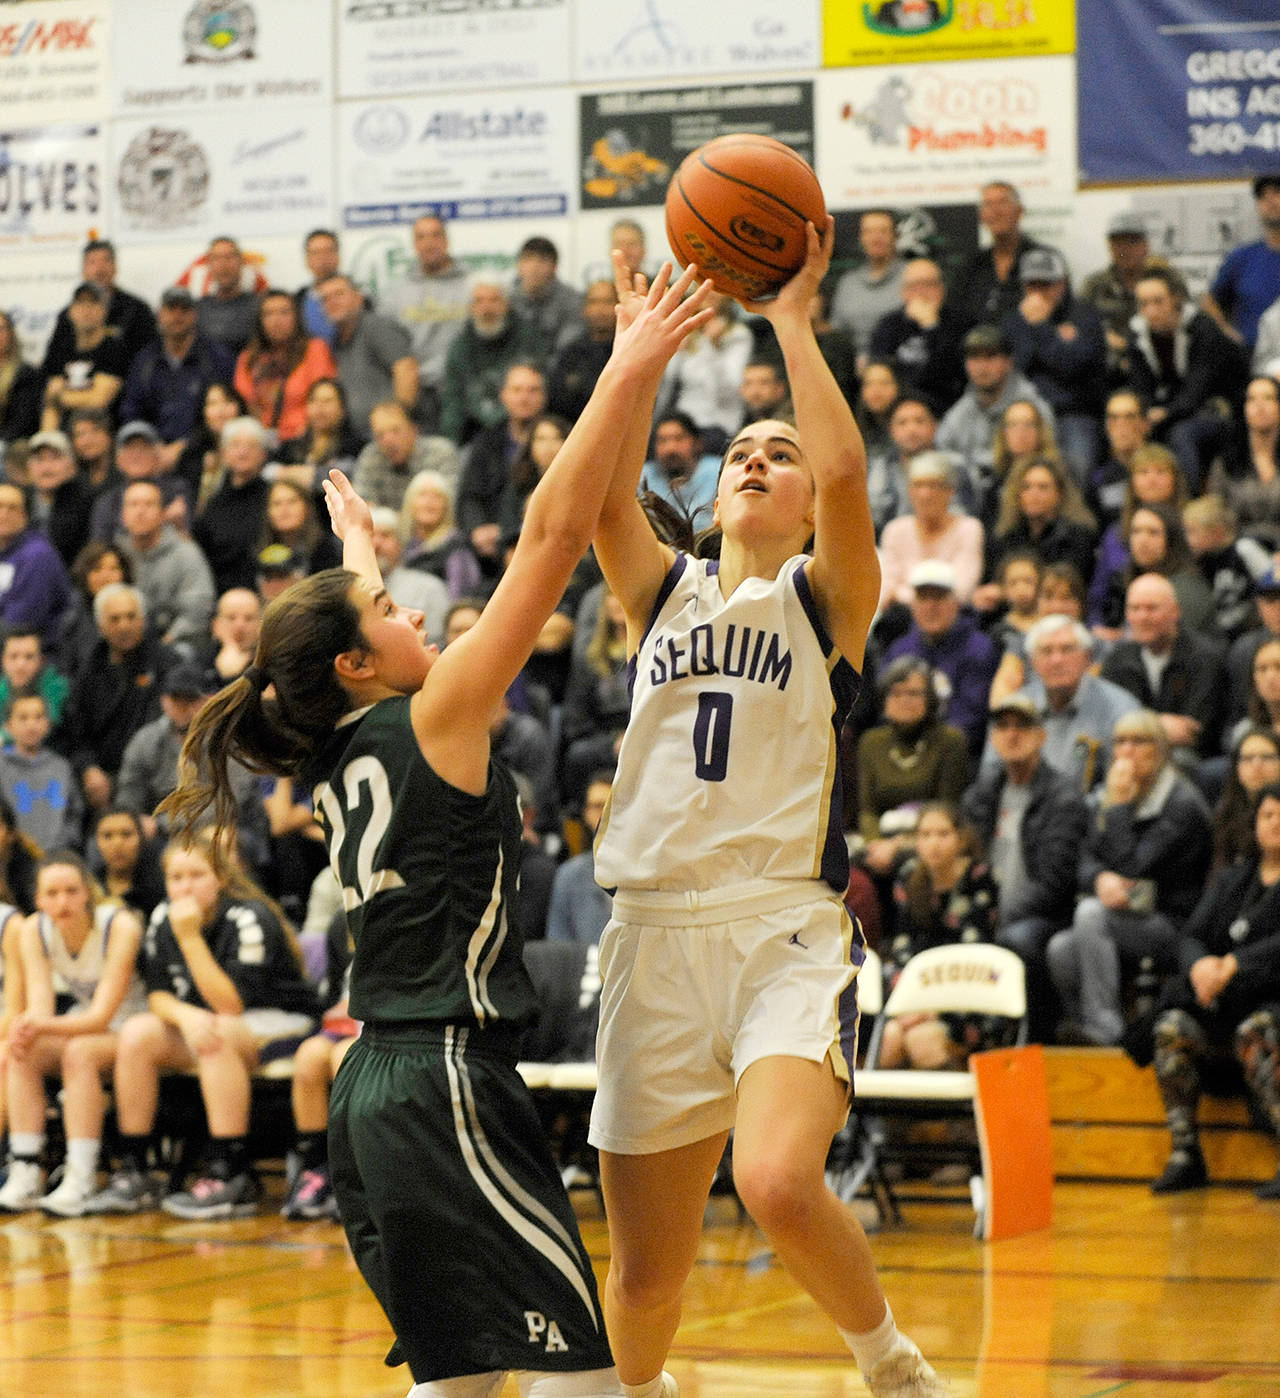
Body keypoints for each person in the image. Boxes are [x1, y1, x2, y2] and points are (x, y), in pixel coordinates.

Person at [155, 259, 718, 1393]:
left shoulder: (331, 739)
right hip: (446, 1076)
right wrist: (627, 364)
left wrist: (357, 547)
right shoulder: (444, 710)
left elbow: (352, 648)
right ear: (360, 662)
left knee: (456, 1382)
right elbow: (553, 539)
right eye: (385, 603)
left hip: (371, 1090)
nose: (409, 601)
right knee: (583, 1377)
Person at [587, 222, 947, 1398]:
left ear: (799, 503)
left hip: (780, 927)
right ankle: (632, 1394)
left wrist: (789, 320)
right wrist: (633, 355)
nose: (752, 459)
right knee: (644, 1281)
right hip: (648, 936)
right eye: (737, 447)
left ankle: (887, 1363)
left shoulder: (824, 597)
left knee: (780, 1181)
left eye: (774, 452)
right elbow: (594, 498)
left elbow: (849, 476)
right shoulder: (661, 591)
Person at [81, 832, 319, 1218]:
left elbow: (230, 1003)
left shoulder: (249, 917)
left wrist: (190, 938)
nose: (185, 886)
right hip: (209, 1019)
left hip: (281, 1022)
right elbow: (158, 995)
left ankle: (230, 1173)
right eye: (176, 878)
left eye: (196, 875)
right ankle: (136, 1169)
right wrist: (186, 1016)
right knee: (138, 1033)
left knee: (216, 1033)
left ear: (220, 879)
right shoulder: (162, 915)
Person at [1134, 782, 1280, 1198]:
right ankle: (1185, 1154)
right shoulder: (1234, 878)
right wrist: (1200, 965)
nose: (1275, 823)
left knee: (1259, 1028)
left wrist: (1237, 963)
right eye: (1267, 815)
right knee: (1171, 1027)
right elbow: (1191, 934)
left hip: (1271, 999)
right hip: (1222, 1002)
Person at [1047, 709, 1212, 1046]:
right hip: (1124, 912)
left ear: (1161, 749)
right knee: (1060, 948)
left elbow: (1136, 868)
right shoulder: (1112, 794)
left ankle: (1105, 1033)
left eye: (1140, 741)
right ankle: (1085, 1035)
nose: (1127, 751)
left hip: (1171, 920)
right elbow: (1085, 858)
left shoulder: (1181, 803)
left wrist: (1119, 808)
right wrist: (1100, 880)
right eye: (1121, 741)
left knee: (1090, 915)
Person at [0, 852, 146, 1216]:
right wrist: (23, 1031)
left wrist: (32, 1025)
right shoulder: (34, 929)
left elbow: (101, 1016)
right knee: (23, 1050)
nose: (62, 902)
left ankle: (80, 1177)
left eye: (71, 891)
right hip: (87, 1026)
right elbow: (40, 1007)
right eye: (51, 893)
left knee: (78, 1052)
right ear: (38, 900)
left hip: (137, 1027)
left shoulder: (120, 925)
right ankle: (26, 1171)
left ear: (87, 893)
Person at [962, 691, 1089, 1043]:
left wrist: (998, 914)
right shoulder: (983, 792)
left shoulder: (1063, 797)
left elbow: (1054, 884)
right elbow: (967, 862)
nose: (1012, 734)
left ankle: (1035, 1039)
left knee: (1015, 939)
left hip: (1044, 917)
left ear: (1041, 736)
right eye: (1002, 726)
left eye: (1022, 725)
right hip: (988, 908)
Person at [881, 803, 999, 1070]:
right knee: (890, 1037)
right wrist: (911, 1006)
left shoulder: (980, 877)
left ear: (961, 839)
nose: (933, 843)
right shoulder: (909, 876)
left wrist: (932, 1010)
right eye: (925, 835)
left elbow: (975, 957)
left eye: (943, 834)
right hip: (919, 995)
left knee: (921, 1041)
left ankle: (952, 1111)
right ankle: (880, 1112)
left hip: (968, 999)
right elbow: (903, 950)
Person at [1001, 248, 1108, 485]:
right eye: (1032, 285)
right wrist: (1054, 341)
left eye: (1046, 285)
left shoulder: (1085, 317)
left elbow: (1071, 366)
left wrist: (1040, 327)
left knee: (1076, 468)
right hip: (1027, 411)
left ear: (1062, 283)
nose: (1038, 293)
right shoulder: (1013, 320)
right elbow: (1022, 363)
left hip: (1074, 412)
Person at [855, 656, 969, 879]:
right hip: (878, 841)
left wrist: (897, 846)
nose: (904, 700)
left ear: (931, 699)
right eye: (896, 693)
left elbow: (947, 807)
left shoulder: (951, 740)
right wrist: (875, 843)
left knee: (912, 866)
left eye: (914, 693)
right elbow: (867, 809)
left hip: (931, 837)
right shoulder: (871, 741)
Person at [886, 559, 999, 756]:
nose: (930, 606)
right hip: (903, 747)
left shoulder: (979, 648)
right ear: (912, 605)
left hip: (958, 754)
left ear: (955, 602)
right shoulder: (900, 650)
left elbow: (972, 718)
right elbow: (886, 707)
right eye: (923, 598)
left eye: (938, 597)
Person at [117, 286, 235, 466]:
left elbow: (224, 410)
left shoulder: (216, 357)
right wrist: (149, 445)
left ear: (194, 315)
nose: (177, 316)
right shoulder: (144, 360)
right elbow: (131, 410)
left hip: (204, 451)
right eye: (171, 309)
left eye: (184, 310)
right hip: (152, 452)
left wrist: (185, 445)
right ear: (160, 314)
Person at [876, 452, 984, 612]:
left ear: (950, 491)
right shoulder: (895, 530)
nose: (925, 494)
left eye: (934, 485)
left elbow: (962, 590)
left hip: (953, 618)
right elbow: (886, 587)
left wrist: (903, 595)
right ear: (910, 491)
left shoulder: (968, 528)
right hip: (902, 618)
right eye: (918, 485)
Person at [315, 273, 418, 440]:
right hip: (358, 436)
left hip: (387, 435)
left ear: (358, 298)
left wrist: (396, 424)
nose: (332, 302)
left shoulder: (376, 328)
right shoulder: (335, 340)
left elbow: (406, 369)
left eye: (339, 294)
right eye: (325, 299)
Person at [233, 289, 337, 443]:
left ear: (297, 317)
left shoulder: (315, 349)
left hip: (305, 439)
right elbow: (246, 404)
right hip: (261, 442)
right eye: (269, 314)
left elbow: (325, 399)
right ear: (259, 321)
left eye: (284, 312)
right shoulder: (248, 359)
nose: (277, 320)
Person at [867, 258, 966, 410]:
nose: (921, 293)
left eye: (928, 284)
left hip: (946, 403)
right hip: (896, 408)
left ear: (941, 289)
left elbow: (950, 373)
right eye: (914, 286)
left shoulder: (960, 322)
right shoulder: (889, 325)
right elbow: (881, 369)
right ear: (904, 292)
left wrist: (931, 327)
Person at [1202, 174, 1280, 353]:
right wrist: (1228, 334)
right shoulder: (1242, 257)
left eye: (1277, 192)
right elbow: (1209, 301)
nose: (1270, 201)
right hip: (1250, 358)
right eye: (1262, 196)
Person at [40, 282, 128, 432]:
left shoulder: (114, 347)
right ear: (71, 312)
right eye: (80, 303)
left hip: (102, 431)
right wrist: (48, 439)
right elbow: (50, 404)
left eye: (93, 303)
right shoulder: (61, 348)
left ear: (104, 311)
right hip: (64, 432)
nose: (86, 310)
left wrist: (60, 398)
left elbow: (99, 400)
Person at [1206, 374, 1280, 550]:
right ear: (1244, 408)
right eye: (1252, 399)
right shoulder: (1225, 462)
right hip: (1239, 552)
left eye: (1268, 398)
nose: (1259, 406)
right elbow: (1216, 514)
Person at [546, 772, 615, 947]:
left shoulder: (649, 872)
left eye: (611, 805)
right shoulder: (568, 875)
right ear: (586, 814)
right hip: (583, 971)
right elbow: (559, 949)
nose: (604, 814)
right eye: (598, 806)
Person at [828, 209, 905, 363]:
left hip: (899, 366)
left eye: (883, 231)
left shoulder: (912, 276)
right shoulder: (848, 283)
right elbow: (836, 333)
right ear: (861, 238)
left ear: (896, 237)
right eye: (868, 232)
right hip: (851, 368)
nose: (875, 239)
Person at [398, 469, 483, 601]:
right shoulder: (402, 544)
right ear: (410, 503)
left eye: (437, 496)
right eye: (422, 495)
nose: (429, 502)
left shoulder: (456, 546)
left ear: (447, 506)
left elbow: (459, 598)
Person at [1210, 726, 1280, 872]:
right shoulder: (1226, 811)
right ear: (1237, 768)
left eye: (1267, 758)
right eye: (1248, 758)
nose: (1256, 766)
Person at [276, 377, 364, 491]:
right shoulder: (292, 446)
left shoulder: (356, 446)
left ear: (342, 408)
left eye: (328, 401)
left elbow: (350, 476)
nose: (320, 407)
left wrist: (310, 476)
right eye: (314, 400)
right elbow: (268, 471)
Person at [194, 236, 261, 357]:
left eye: (229, 257)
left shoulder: (260, 306)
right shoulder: (197, 309)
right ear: (209, 265)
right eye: (217, 258)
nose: (223, 264)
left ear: (241, 262)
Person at [0, 310, 44, 445]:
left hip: (10, 443)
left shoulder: (25, 374)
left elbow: (23, 421)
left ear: (11, 334)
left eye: (1, 329)